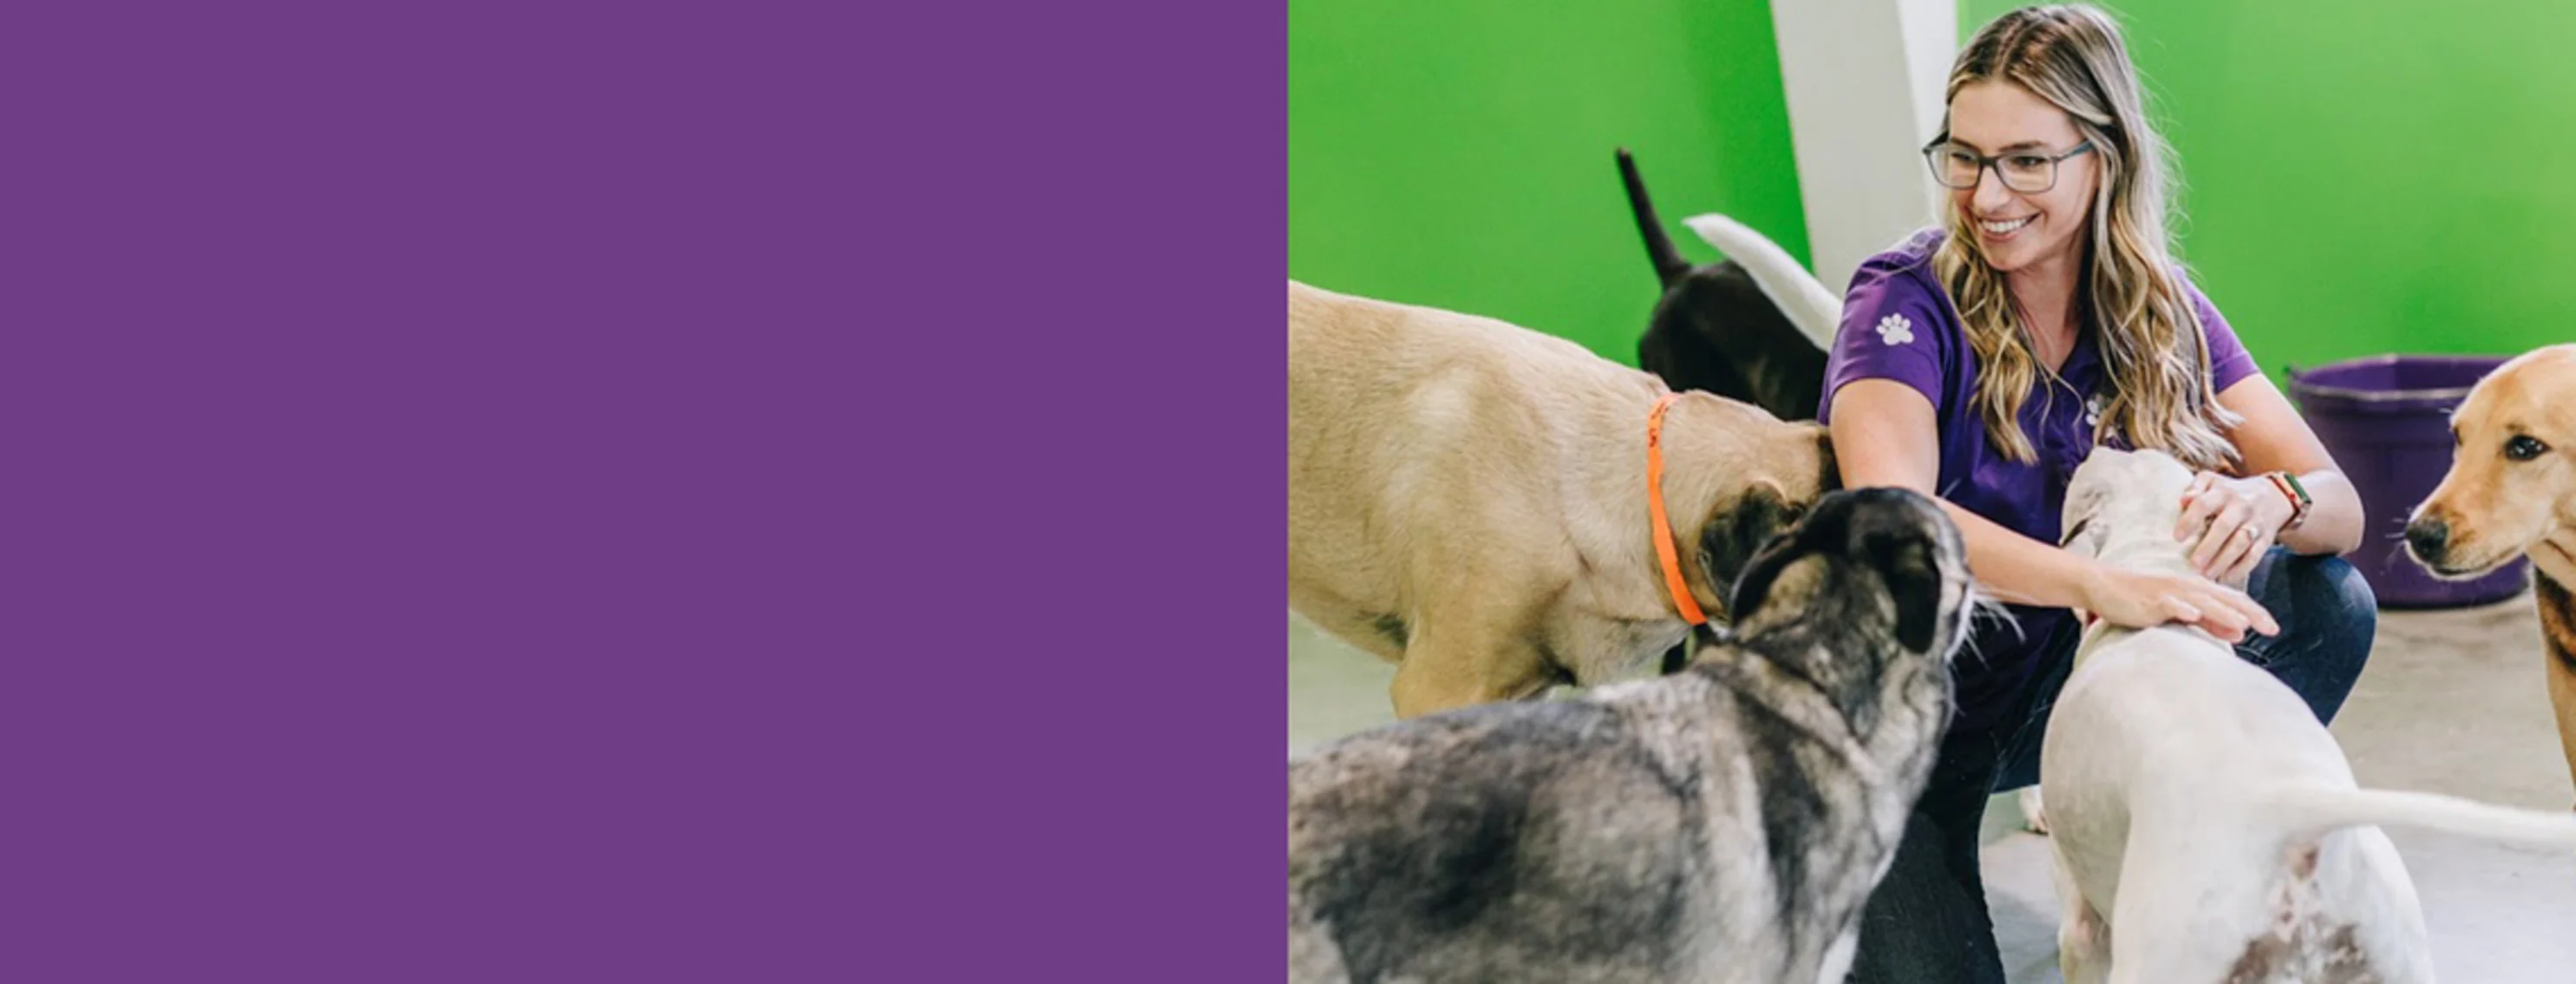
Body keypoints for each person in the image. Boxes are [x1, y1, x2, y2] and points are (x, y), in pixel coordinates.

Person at [1818, 6, 2377, 981]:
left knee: (2327, 601)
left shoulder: (2160, 308)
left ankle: (2181, 814)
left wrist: (2271, 502)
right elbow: (1892, 515)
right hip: (1906, 719)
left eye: (2027, 160)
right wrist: (2099, 583)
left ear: (2103, 158)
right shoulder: (1902, 299)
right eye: (1964, 155)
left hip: (2057, 687)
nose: (1986, 194)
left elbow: (2341, 506)